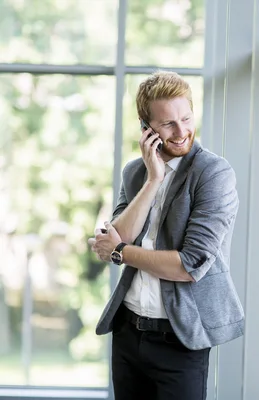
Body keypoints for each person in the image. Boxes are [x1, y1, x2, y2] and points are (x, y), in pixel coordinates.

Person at [88, 71, 244, 400]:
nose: (181, 131)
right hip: (129, 332)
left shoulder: (213, 174)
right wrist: (153, 180)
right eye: (168, 124)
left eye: (186, 118)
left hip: (179, 337)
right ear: (147, 129)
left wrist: (120, 252)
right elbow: (121, 233)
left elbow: (189, 266)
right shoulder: (135, 172)